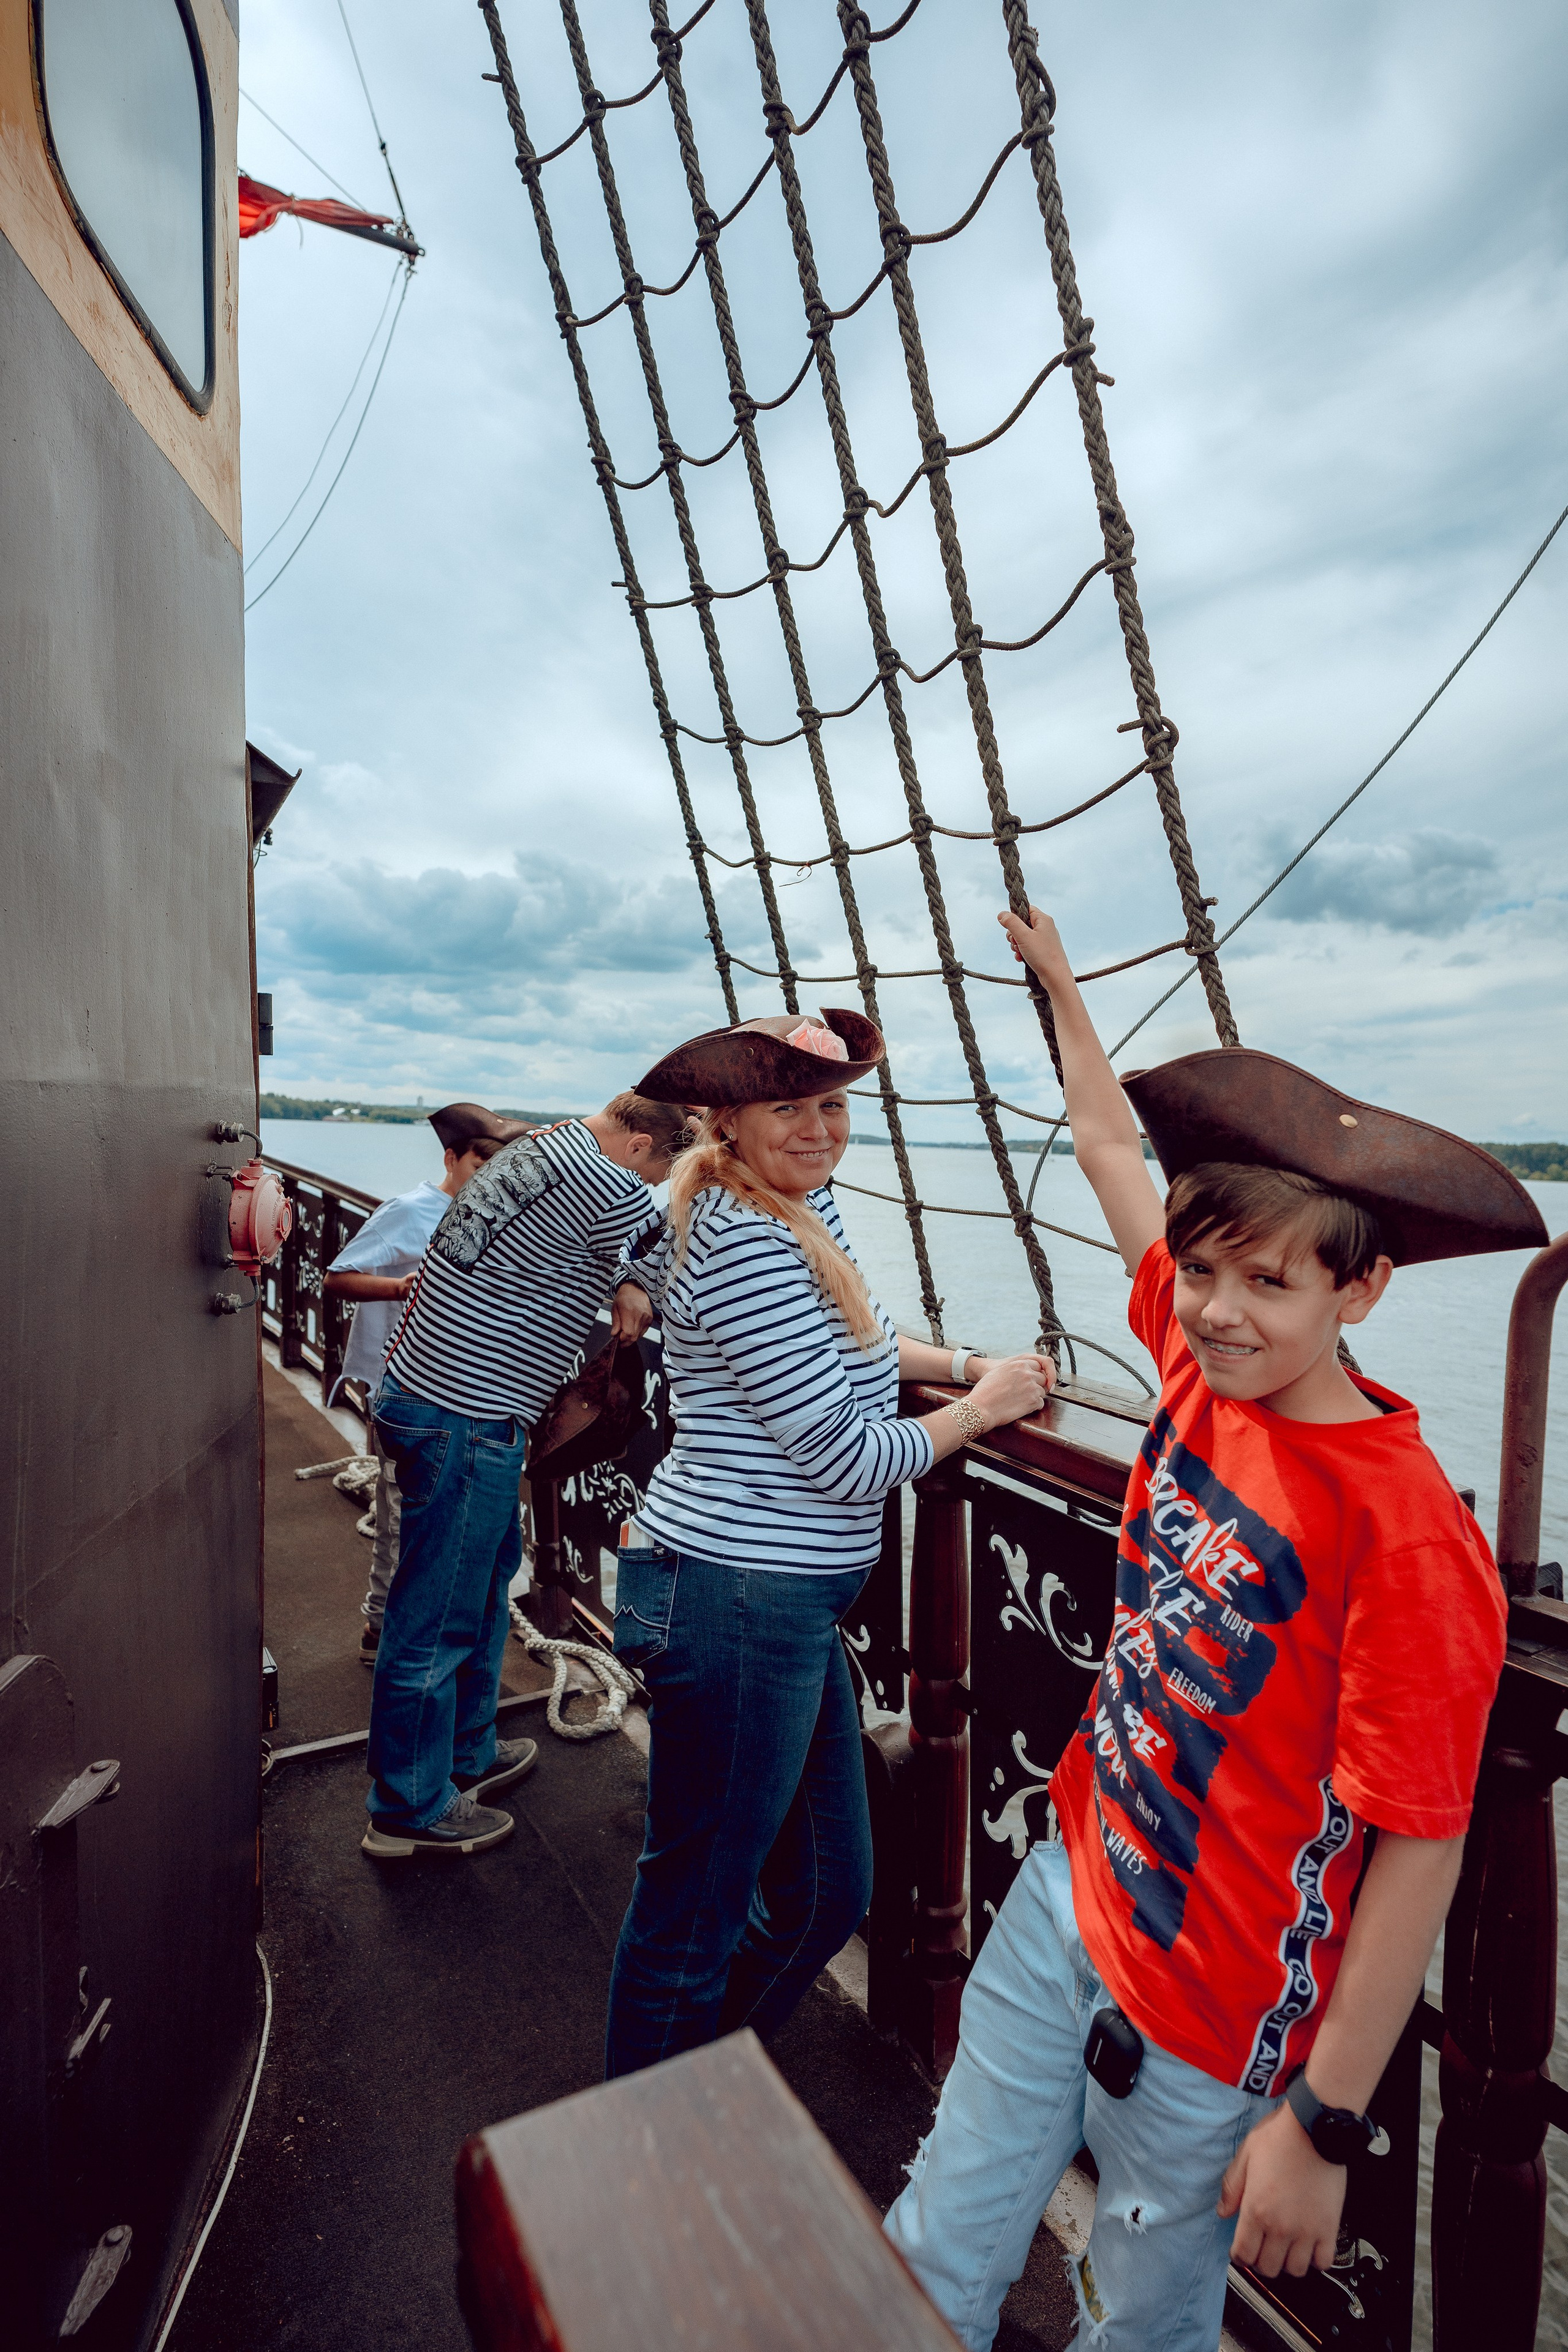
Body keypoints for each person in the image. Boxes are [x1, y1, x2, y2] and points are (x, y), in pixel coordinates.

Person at [881, 906, 1545, 2352]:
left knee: (1139, 2319)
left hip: (1212, 2015)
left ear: (1356, 1288)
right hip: (1067, 1888)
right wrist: (1063, 988)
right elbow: (1114, 1153)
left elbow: (1416, 1839)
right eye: (1198, 1272)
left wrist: (1322, 2118)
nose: (1217, 1311)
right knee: (936, 2236)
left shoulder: (1403, 1531)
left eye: (1267, 1281)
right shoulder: (1195, 1361)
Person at [602, 1008, 1056, 2078]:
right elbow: (849, 1461)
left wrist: (955, 1362)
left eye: (834, 1105)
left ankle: (702, 2076)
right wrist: (984, 1410)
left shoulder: (800, 1207)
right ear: (727, 1120)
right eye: (788, 1109)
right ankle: (640, 2160)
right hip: (732, 1596)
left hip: (781, 1603)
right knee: (697, 1898)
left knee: (825, 1894)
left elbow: (850, 1339)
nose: (819, 1130)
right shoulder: (742, 1237)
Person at [361, 1091, 688, 1862]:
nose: (661, 1177)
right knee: (438, 1611)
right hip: (464, 1413)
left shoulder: (544, 1146)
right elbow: (678, 1245)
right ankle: (406, 1808)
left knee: (478, 1588)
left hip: (433, 1395)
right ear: (641, 1144)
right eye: (665, 1163)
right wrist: (637, 1284)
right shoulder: (608, 1185)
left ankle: (466, 1753)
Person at [323, 1102, 527, 1666]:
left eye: (500, 1168)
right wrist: (402, 1289)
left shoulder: (497, 1218)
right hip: (399, 1386)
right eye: (479, 1165)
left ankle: (401, 1630)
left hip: (460, 1393)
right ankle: (382, 1628)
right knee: (399, 1513)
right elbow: (338, 1277)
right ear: (451, 1157)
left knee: (431, 1520)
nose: (488, 1178)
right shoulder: (409, 1211)